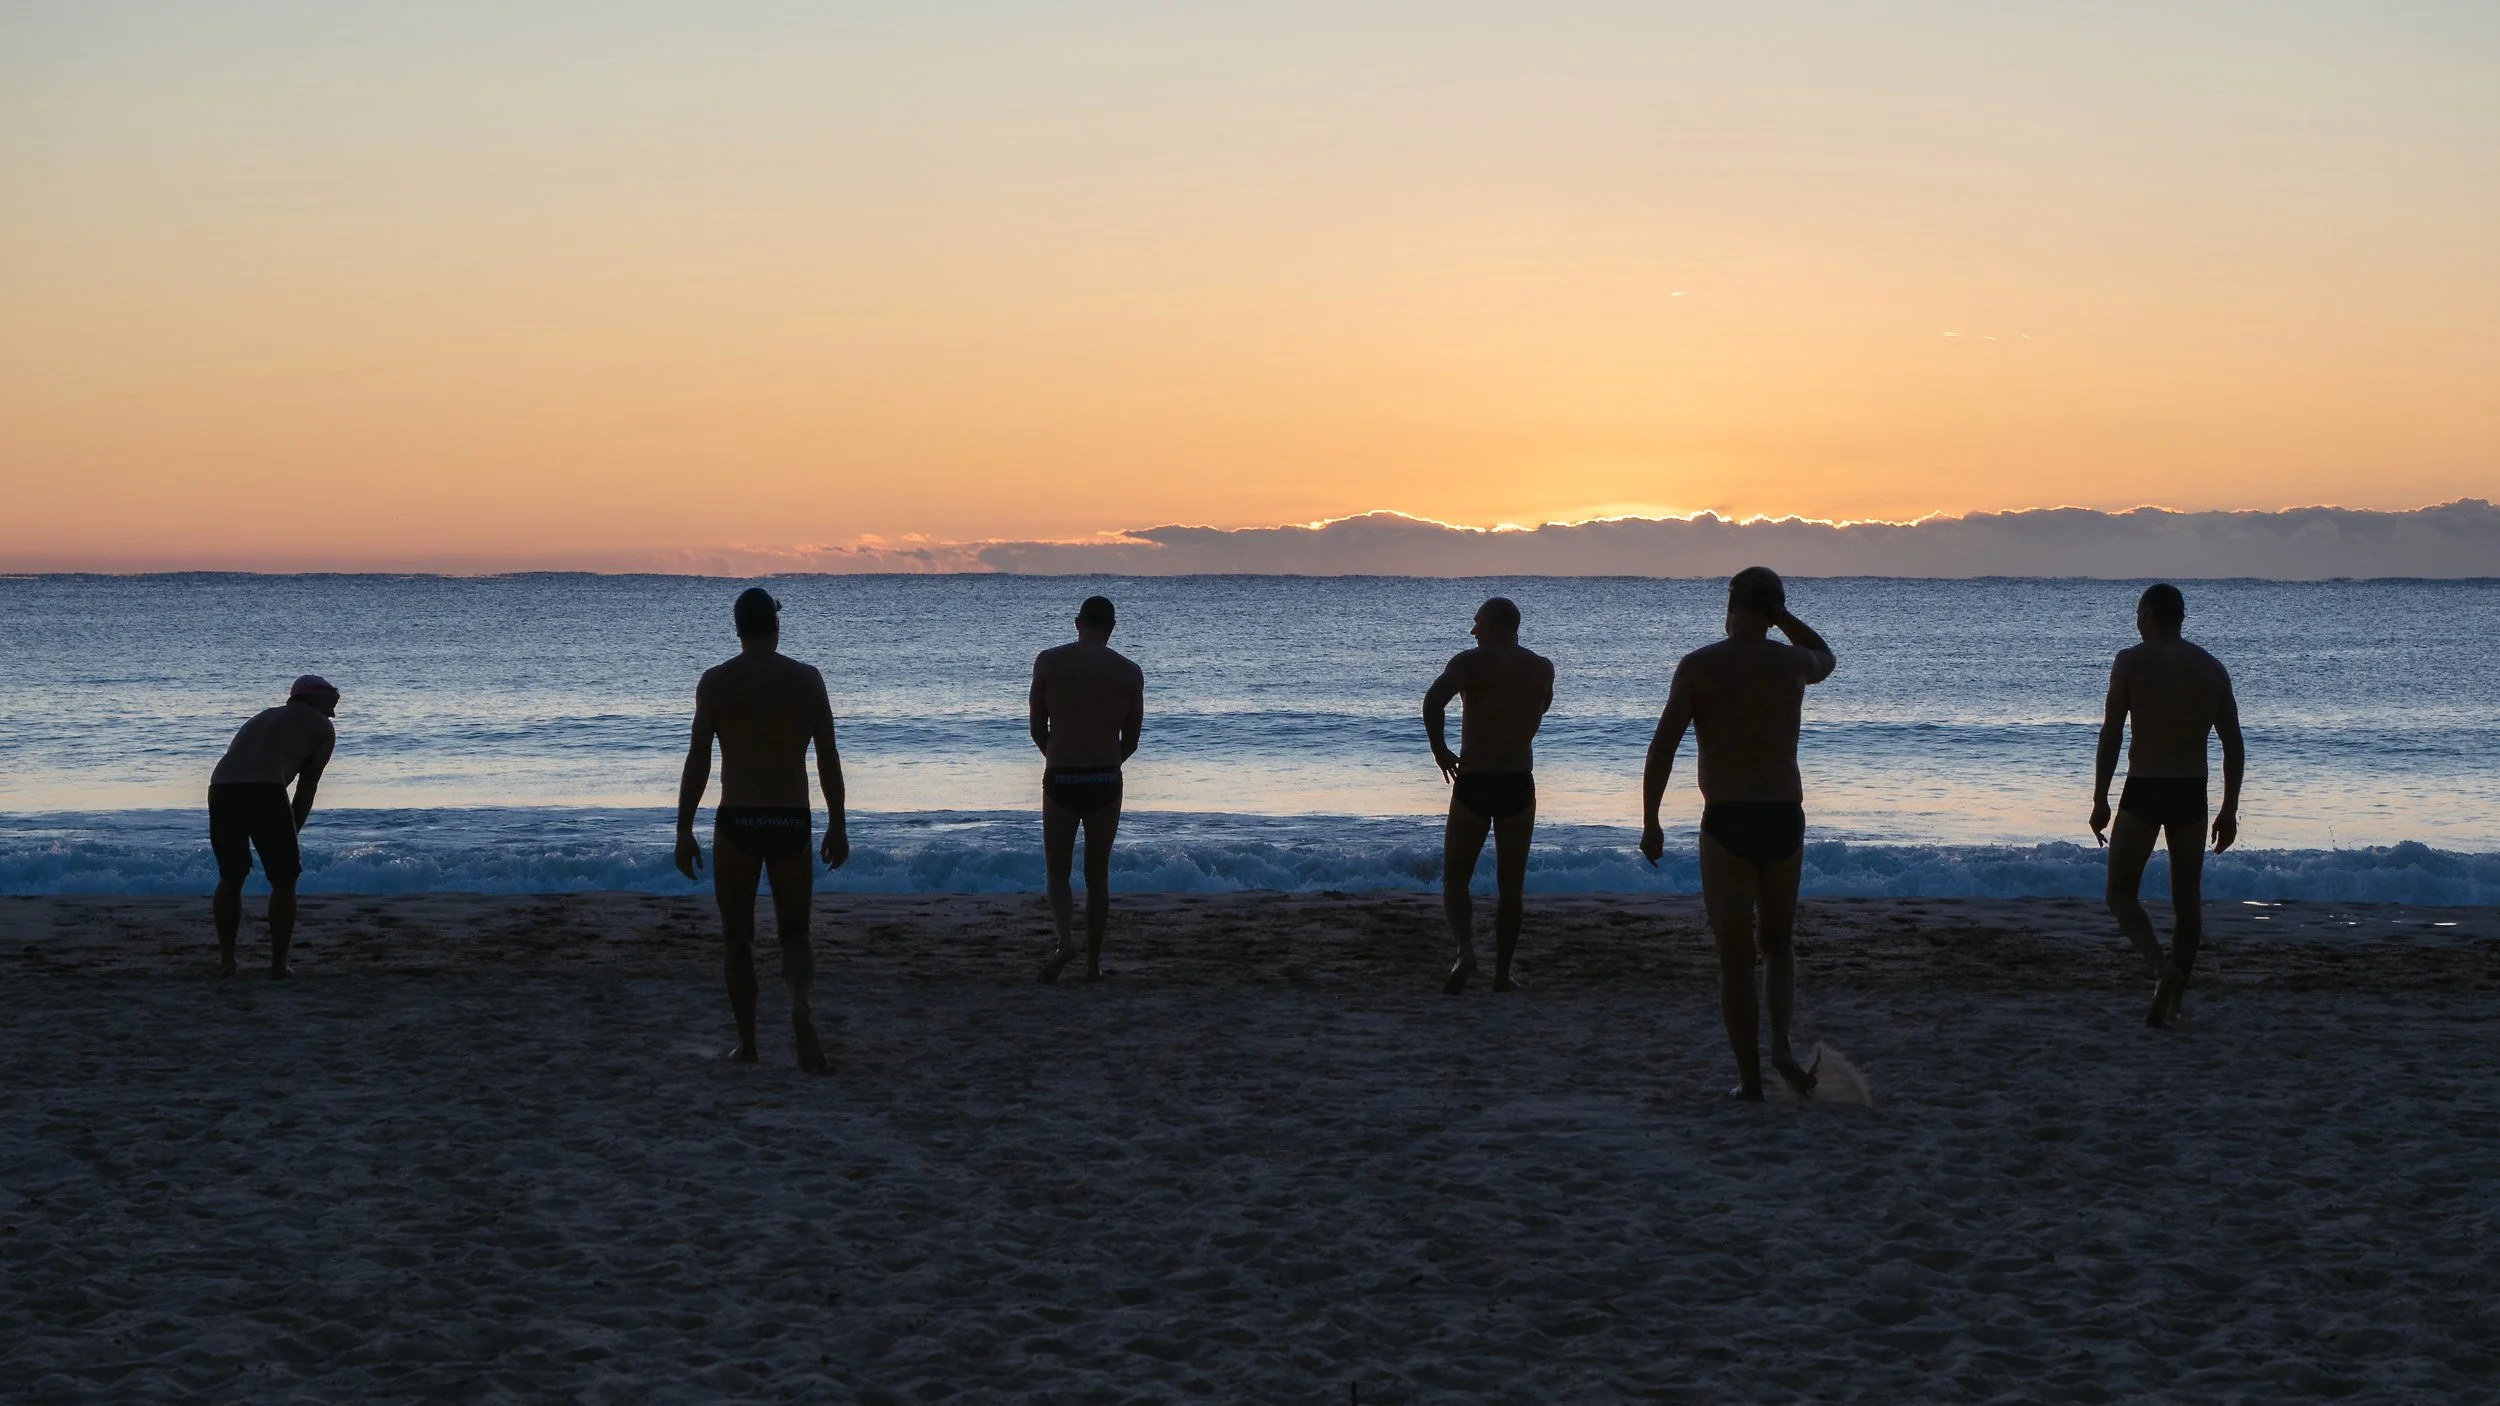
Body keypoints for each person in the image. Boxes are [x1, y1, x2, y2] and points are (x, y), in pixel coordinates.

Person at [1641, 568, 1835, 1100]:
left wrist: (1651, 821)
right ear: (1774, 610)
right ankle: (1780, 1047)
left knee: (1734, 957)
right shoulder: (1792, 662)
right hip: (1782, 817)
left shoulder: (1700, 666)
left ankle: (1750, 1080)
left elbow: (1662, 748)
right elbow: (1827, 655)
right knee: (1777, 944)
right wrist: (1786, 619)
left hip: (1727, 820)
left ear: (1730, 604)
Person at [674, 587, 850, 1073]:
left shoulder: (715, 683)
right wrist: (837, 821)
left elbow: (699, 762)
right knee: (795, 933)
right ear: (776, 626)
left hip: (739, 820)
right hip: (789, 818)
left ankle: (748, 1042)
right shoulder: (807, 680)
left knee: (738, 939)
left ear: (737, 628)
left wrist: (684, 827)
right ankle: (798, 1006)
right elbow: (828, 758)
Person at [2090, 582, 2244, 1028]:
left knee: (2119, 893)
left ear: (2151, 615)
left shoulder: (2130, 662)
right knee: (2187, 905)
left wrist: (2101, 798)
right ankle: (2174, 999)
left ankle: (2162, 970)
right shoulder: (2211, 669)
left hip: (2145, 788)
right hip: (2190, 792)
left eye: (2139, 613)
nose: (2136, 621)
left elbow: (2112, 732)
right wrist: (2229, 808)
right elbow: (2233, 745)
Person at [1423, 597, 1555, 994]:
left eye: (1477, 622)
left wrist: (1440, 750)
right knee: (1510, 886)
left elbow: (1432, 701)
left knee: (1455, 879)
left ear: (1496, 624)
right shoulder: (1541, 668)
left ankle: (1465, 952)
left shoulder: (1468, 663)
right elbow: (1541, 708)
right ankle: (1502, 975)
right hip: (1517, 782)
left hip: (1475, 782)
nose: (1472, 630)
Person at [1029, 595, 1144, 983]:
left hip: (1061, 775)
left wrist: (1058, 756)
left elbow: (1036, 728)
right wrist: (1107, 763)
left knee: (1057, 871)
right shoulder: (1129, 672)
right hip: (1104, 779)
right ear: (1111, 628)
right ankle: (1093, 963)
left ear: (1077, 623)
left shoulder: (1048, 662)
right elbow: (1131, 739)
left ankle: (1065, 941)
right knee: (1097, 876)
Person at [208, 675, 339, 979]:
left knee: (231, 876)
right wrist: (292, 830)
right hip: (264, 789)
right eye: (332, 699)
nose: (334, 708)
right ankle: (278, 965)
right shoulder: (322, 728)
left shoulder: (264, 716)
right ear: (313, 698)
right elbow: (307, 789)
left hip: (221, 788)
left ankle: (227, 962)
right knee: (284, 879)